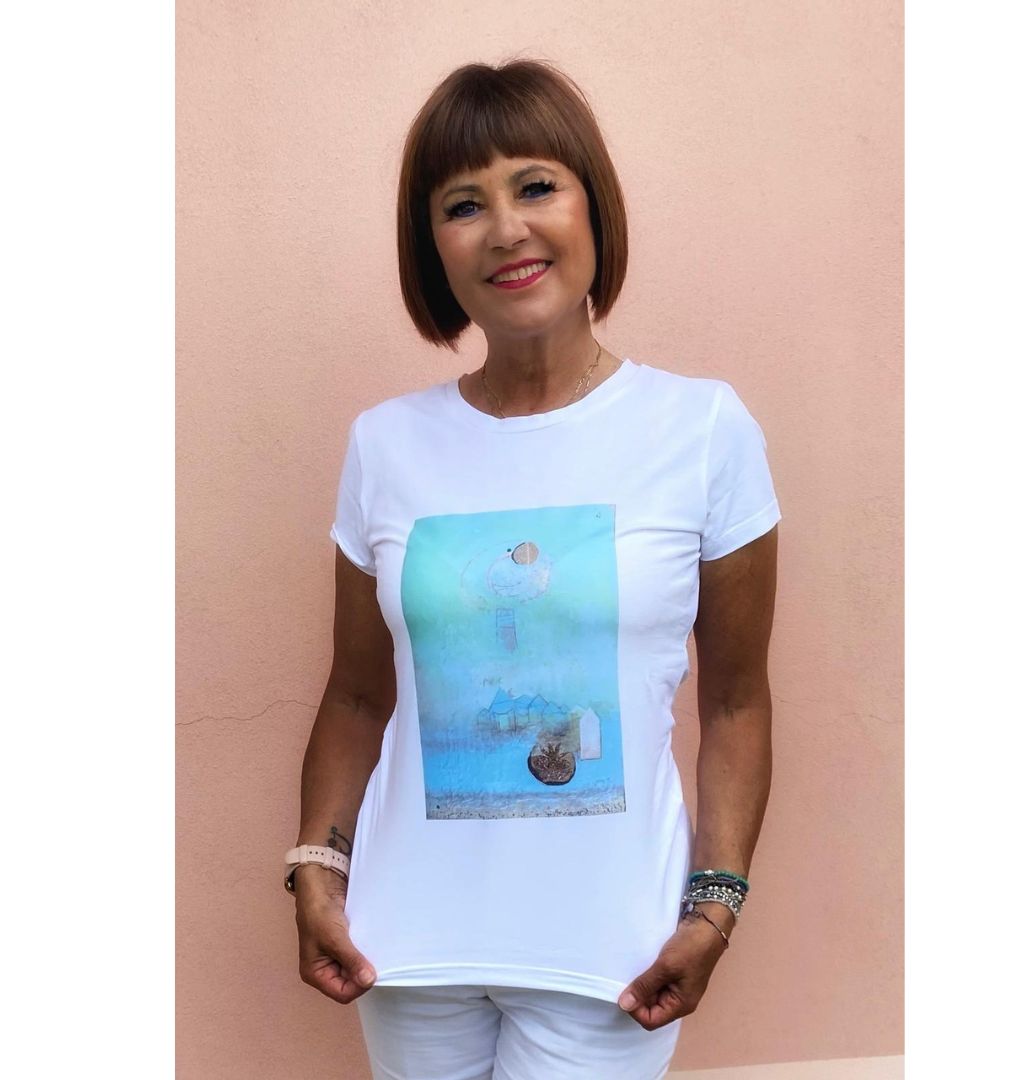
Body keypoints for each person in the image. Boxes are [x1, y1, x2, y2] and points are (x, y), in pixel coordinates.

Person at [287, 58, 781, 1080]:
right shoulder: (385, 446)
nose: (506, 228)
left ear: (593, 206)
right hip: (407, 948)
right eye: (464, 204)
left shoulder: (700, 430)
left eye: (536, 186)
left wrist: (715, 905)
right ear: (432, 247)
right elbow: (356, 694)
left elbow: (736, 702)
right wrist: (318, 868)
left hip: (612, 956)